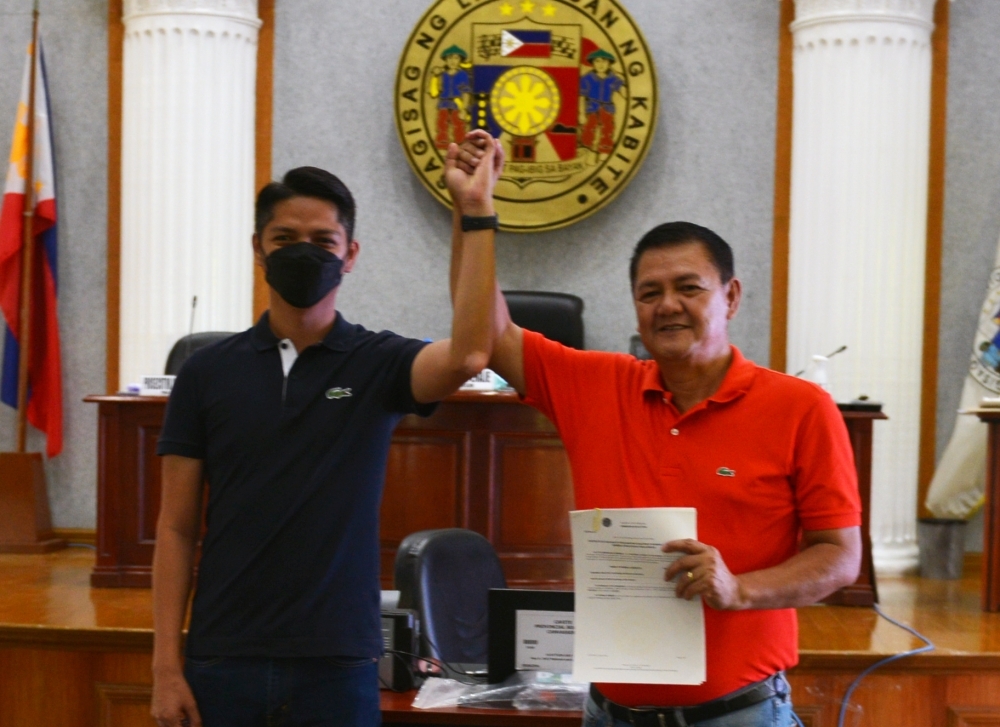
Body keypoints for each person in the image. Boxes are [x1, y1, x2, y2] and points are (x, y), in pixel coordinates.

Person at [453, 143, 861, 726]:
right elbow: (486, 334)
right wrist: (472, 211)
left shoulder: (800, 407)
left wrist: (738, 589)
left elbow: (841, 559)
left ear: (731, 296)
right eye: (650, 293)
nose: (668, 305)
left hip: (737, 716)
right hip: (611, 713)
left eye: (688, 287)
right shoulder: (596, 386)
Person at [150, 132, 504, 727]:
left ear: (351, 253)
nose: (302, 252)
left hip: (338, 660)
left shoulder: (378, 362)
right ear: (258, 251)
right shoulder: (206, 372)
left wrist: (474, 212)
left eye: (323, 240)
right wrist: (165, 665)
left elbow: (471, 354)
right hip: (222, 656)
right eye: (284, 239)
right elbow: (176, 527)